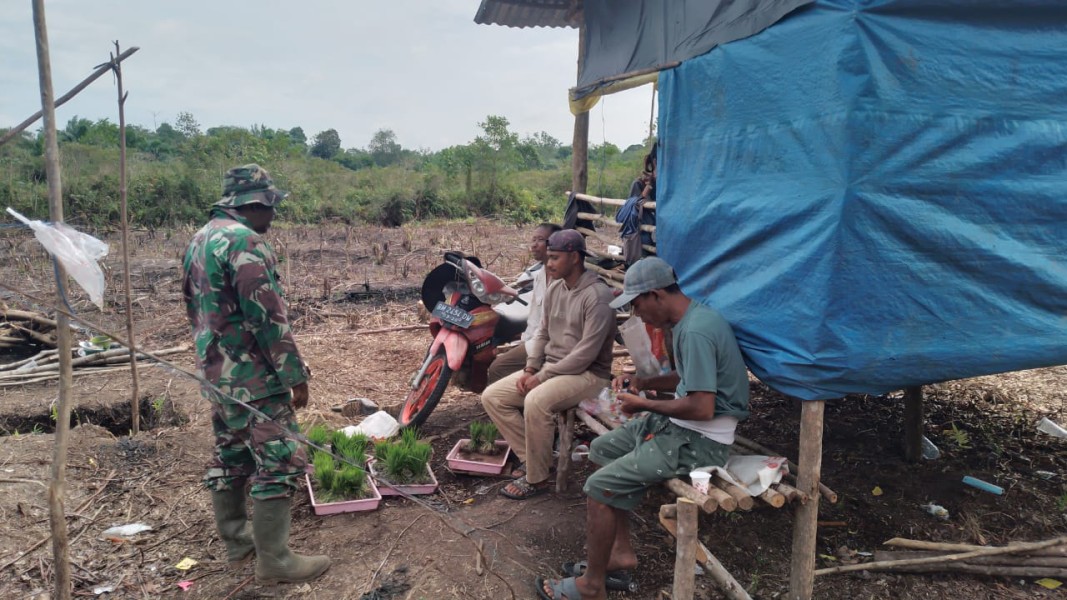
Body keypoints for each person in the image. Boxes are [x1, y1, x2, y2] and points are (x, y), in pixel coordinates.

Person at [536, 256, 749, 600]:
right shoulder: (688, 321)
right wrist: (643, 380)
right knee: (601, 449)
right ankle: (620, 552)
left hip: (699, 440)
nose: (637, 315)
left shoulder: (694, 330)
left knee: (596, 487)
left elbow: (702, 406)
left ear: (656, 295)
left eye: (637, 305)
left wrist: (644, 403)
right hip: (678, 425)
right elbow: (691, 378)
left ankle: (592, 586)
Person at [183, 164, 331, 584]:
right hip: (252, 378)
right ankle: (276, 562)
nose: (275, 215)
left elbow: (195, 309)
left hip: (216, 372)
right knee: (281, 460)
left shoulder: (200, 239)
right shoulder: (245, 243)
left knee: (231, 454)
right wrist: (293, 375)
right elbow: (267, 318)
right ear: (254, 204)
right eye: (272, 206)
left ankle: (237, 540)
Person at [481, 229, 616, 500]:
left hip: (588, 375)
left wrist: (541, 377)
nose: (549, 263)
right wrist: (532, 367)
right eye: (549, 257)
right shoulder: (557, 287)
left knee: (536, 400)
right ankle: (532, 460)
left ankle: (537, 478)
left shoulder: (598, 296)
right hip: (553, 368)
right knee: (493, 396)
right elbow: (542, 333)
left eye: (555, 258)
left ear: (575, 258)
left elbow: (585, 354)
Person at [486, 222, 563, 385]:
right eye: (533, 240)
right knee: (498, 367)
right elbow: (535, 317)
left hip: (555, 346)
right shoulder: (540, 275)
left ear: (554, 243)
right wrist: (525, 342)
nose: (534, 245)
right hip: (537, 342)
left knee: (498, 369)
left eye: (540, 240)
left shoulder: (565, 280)